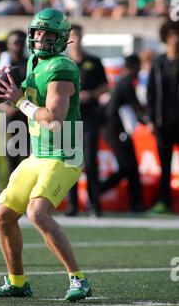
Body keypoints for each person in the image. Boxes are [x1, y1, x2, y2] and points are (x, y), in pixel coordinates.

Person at [0, 8, 91, 301]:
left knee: (37, 213)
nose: (40, 38)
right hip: (38, 153)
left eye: (48, 34)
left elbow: (54, 118)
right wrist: (6, 94)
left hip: (64, 153)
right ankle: (17, 282)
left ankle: (78, 279)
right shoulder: (34, 60)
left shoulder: (62, 68)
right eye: (38, 32)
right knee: (3, 217)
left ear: (61, 39)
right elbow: (22, 101)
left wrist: (19, 101)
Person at [65, 24, 108, 217]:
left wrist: (91, 94)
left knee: (90, 162)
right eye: (72, 35)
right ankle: (72, 206)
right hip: (68, 118)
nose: (76, 39)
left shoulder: (94, 61)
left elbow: (105, 86)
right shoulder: (61, 63)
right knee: (71, 163)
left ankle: (95, 205)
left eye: (78, 35)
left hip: (89, 117)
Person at [100, 54, 145, 212]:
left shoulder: (123, 83)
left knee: (131, 166)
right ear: (133, 67)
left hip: (117, 130)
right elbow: (137, 107)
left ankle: (136, 203)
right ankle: (98, 191)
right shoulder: (125, 84)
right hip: (115, 130)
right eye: (138, 67)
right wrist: (149, 121)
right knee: (128, 166)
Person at [147, 19, 179, 214]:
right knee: (164, 165)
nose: (174, 39)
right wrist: (151, 119)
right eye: (171, 35)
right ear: (165, 38)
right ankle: (163, 201)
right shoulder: (158, 63)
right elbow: (151, 93)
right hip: (163, 121)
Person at [0, 30, 30, 175]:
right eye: (15, 42)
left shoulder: (30, 63)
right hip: (11, 116)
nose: (18, 46)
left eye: (21, 42)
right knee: (12, 158)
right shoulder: (5, 63)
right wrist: (4, 108)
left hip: (28, 114)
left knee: (30, 157)